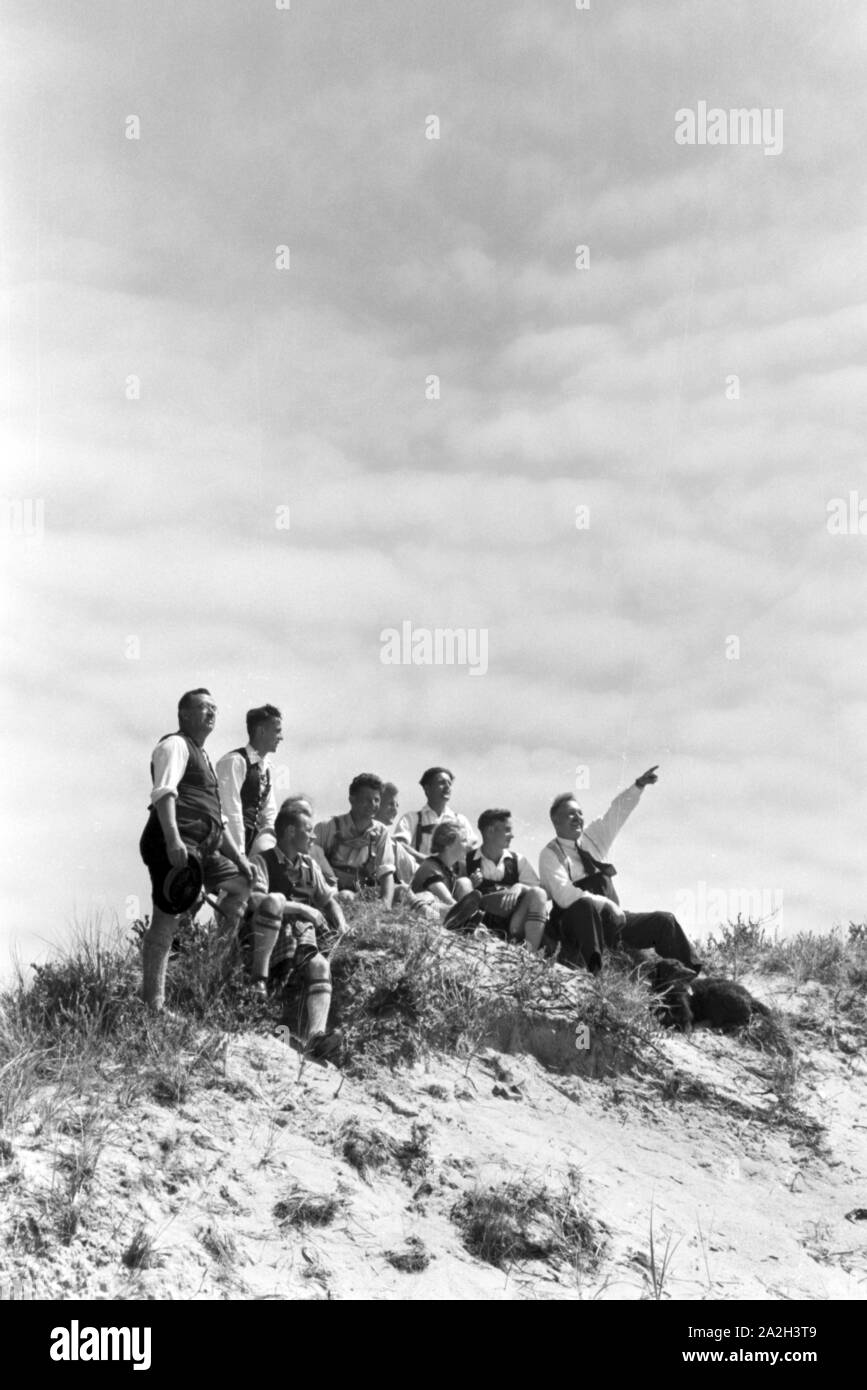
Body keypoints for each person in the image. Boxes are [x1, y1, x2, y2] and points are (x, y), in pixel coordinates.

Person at [139, 688, 254, 1012]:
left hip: (204, 848)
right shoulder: (175, 745)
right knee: (167, 917)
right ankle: (153, 1005)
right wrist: (174, 838)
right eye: (204, 708)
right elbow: (164, 793)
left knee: (242, 884)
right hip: (171, 841)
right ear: (184, 714)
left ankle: (212, 967)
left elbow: (218, 820)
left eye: (215, 708)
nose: (211, 713)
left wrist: (240, 858)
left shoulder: (204, 757)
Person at [538, 766, 704, 974]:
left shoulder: (593, 837)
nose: (578, 818)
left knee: (664, 921)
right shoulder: (549, 854)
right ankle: (596, 975)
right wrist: (606, 904)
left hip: (612, 922)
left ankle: (690, 975)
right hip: (575, 927)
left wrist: (638, 786)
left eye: (580, 813)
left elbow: (616, 813)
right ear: (556, 821)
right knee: (584, 906)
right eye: (570, 815)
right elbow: (563, 895)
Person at [245, 803, 346, 1059]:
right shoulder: (262, 861)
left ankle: (316, 1038)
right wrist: (302, 909)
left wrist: (342, 924)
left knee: (321, 967)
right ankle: (259, 981)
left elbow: (328, 900)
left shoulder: (310, 865)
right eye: (308, 830)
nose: (313, 836)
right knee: (275, 899)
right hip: (263, 937)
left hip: (299, 937)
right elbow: (257, 901)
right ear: (290, 831)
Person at [466, 809, 549, 952]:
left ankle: (530, 955)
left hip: (514, 924)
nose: (512, 835)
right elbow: (456, 891)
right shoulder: (467, 860)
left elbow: (541, 894)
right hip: (481, 924)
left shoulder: (518, 860)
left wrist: (520, 887)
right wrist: (470, 885)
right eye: (507, 830)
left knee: (538, 894)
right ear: (490, 831)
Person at [314, 774, 397, 906]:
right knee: (346, 896)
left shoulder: (381, 832)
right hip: (331, 895)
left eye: (376, 800)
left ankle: (438, 918)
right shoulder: (326, 828)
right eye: (367, 799)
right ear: (352, 799)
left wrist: (385, 904)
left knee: (403, 891)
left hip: (364, 894)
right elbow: (311, 865)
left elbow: (386, 872)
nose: (373, 804)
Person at [216, 704, 282, 856]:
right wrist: (239, 854)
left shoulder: (265, 769)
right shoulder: (235, 761)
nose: (281, 737)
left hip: (252, 848)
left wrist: (268, 850)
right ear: (261, 731)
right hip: (230, 850)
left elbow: (269, 815)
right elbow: (230, 809)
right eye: (277, 731)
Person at [393, 767, 479, 868]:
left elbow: (472, 850)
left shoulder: (460, 820)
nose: (447, 787)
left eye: (449, 783)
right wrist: (428, 861)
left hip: (453, 879)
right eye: (442, 783)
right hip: (420, 877)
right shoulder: (411, 818)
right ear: (427, 788)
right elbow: (399, 845)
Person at [411, 822, 483, 930]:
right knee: (435, 903)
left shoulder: (448, 870)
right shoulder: (430, 867)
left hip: (438, 912)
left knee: (464, 882)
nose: (468, 846)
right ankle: (466, 921)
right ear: (448, 844)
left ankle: (466, 921)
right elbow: (447, 899)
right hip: (427, 911)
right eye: (463, 841)